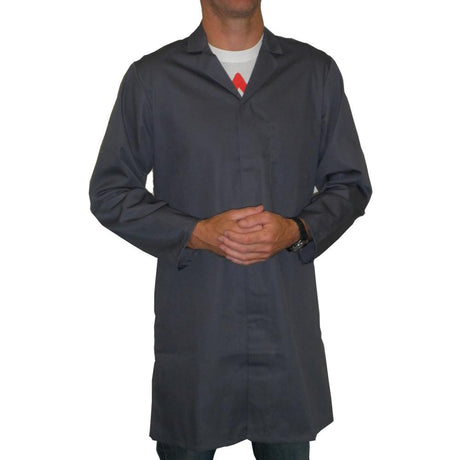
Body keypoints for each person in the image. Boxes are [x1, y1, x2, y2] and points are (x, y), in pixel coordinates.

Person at [88, 0, 372, 458]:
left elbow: (350, 184)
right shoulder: (154, 79)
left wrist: (297, 230)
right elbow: (110, 191)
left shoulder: (313, 74)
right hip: (198, 332)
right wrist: (194, 233)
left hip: (284, 333)